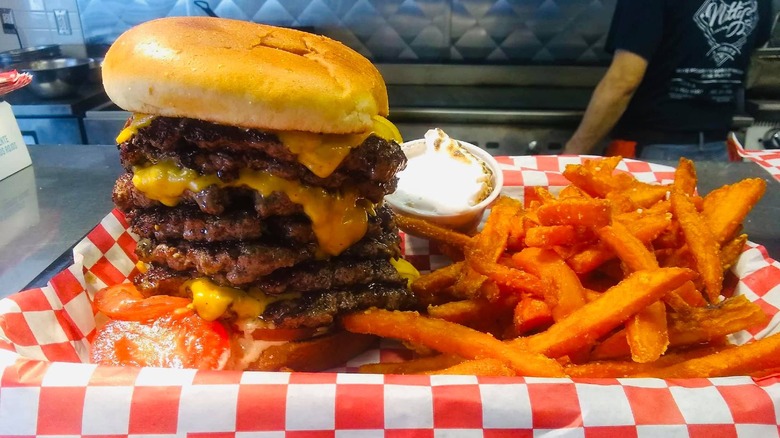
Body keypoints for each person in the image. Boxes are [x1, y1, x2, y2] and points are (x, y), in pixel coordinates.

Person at [564, 0, 773, 160]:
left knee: (646, 217)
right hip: (718, 148)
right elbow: (751, 51)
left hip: (654, 153)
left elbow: (624, 81)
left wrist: (573, 154)